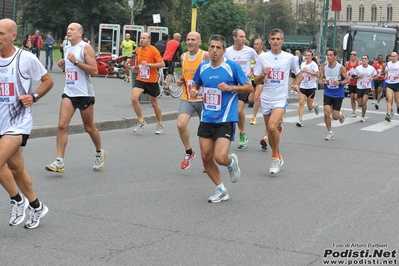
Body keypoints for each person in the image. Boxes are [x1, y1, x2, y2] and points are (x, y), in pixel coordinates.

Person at [0, 18, 53, 228]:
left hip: (18, 122)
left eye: (1, 34)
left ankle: (17, 200)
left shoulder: (26, 58)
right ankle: (37, 206)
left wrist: (34, 96)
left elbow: (48, 81)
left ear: (13, 36)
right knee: (16, 169)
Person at [190, 34, 252, 203]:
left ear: (224, 50)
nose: (214, 51)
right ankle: (221, 189)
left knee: (220, 157)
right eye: (212, 47)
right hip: (206, 117)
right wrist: (195, 91)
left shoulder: (231, 67)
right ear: (208, 48)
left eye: (218, 48)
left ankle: (231, 162)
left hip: (225, 118)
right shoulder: (202, 67)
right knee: (205, 157)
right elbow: (196, 84)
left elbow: (249, 86)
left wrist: (231, 87)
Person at [45, 22, 106, 173]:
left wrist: (76, 62)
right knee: (61, 126)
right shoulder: (66, 46)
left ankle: (99, 152)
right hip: (69, 92)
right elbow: (70, 69)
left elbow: (94, 71)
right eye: (67, 29)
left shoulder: (86, 47)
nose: (69, 31)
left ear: (80, 33)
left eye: (72, 29)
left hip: (84, 93)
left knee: (89, 127)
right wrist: (64, 66)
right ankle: (59, 162)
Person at [254, 28, 302, 174]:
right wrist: (264, 73)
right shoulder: (262, 58)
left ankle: (274, 157)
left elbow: (299, 74)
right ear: (269, 41)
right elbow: (256, 80)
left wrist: (296, 84)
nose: (275, 41)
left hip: (281, 98)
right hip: (266, 98)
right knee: (270, 129)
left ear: (282, 41)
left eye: (278, 39)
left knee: (272, 126)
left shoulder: (290, 57)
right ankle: (277, 154)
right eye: (273, 39)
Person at [176, 31, 209, 170]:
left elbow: (211, 74)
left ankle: (207, 159)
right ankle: (189, 152)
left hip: (204, 98)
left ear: (199, 42)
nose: (190, 42)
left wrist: (200, 87)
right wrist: (181, 80)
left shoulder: (205, 55)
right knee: (181, 124)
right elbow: (186, 75)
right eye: (188, 39)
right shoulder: (183, 56)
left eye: (193, 40)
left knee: (205, 132)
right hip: (187, 96)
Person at [224, 29, 258, 149]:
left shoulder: (250, 51)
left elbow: (260, 62)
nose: (243, 39)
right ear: (234, 38)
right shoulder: (227, 51)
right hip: (229, 85)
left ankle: (242, 133)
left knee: (238, 110)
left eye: (244, 37)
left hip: (243, 85)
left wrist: (252, 72)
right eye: (241, 36)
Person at [131, 32, 165, 134]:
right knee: (134, 98)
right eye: (140, 38)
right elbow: (139, 63)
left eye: (144, 38)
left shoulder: (154, 50)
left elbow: (162, 64)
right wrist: (136, 67)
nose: (141, 40)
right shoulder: (138, 49)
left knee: (154, 104)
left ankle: (160, 123)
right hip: (141, 79)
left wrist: (149, 65)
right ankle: (141, 121)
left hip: (152, 81)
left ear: (149, 40)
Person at [319, 48, 350, 140]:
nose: (328, 57)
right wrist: (322, 81)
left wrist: (339, 83)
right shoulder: (324, 67)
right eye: (327, 55)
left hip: (337, 93)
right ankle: (330, 132)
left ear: (335, 57)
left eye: (330, 55)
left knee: (335, 117)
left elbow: (347, 79)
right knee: (326, 112)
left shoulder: (340, 67)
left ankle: (340, 114)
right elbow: (321, 78)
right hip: (328, 92)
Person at [296, 50, 320, 127]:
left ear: (312, 57)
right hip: (303, 86)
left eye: (309, 55)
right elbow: (300, 75)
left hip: (311, 87)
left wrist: (308, 71)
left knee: (309, 105)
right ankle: (300, 120)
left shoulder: (314, 65)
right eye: (306, 55)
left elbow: (317, 74)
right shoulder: (303, 64)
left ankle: (315, 106)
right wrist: (296, 84)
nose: (307, 57)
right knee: (301, 103)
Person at [353, 54, 377, 122]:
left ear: (368, 60)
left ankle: (363, 116)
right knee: (360, 104)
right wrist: (358, 76)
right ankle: (361, 106)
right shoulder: (358, 68)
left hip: (367, 87)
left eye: (365, 58)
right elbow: (353, 77)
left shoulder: (371, 68)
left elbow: (376, 76)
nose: (364, 60)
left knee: (364, 102)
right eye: (363, 58)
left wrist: (372, 78)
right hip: (359, 87)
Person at [345, 50, 361, 118]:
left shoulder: (359, 63)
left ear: (356, 56)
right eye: (351, 54)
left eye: (354, 54)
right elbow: (344, 72)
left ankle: (361, 103)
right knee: (352, 97)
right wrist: (346, 78)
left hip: (357, 82)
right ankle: (354, 111)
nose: (352, 55)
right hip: (350, 82)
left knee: (355, 97)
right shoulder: (347, 63)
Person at [384, 52, 399, 122]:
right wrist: (386, 74)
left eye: (394, 56)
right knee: (389, 99)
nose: (392, 58)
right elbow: (386, 71)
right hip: (389, 82)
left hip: (397, 83)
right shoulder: (388, 64)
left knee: (397, 101)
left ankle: (398, 108)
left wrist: (398, 76)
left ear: (397, 57)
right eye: (391, 56)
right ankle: (388, 114)